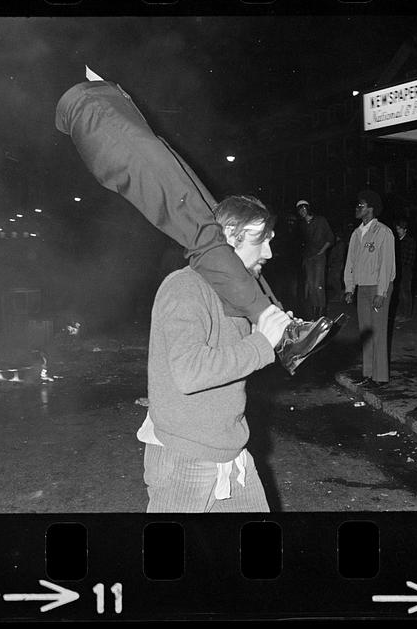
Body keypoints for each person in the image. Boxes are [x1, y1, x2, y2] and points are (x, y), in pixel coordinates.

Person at [54, 74, 334, 374]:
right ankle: (283, 334)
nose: (268, 251)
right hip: (110, 126)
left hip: (123, 127)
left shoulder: (108, 108)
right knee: (207, 235)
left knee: (215, 222)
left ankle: (284, 326)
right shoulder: (92, 107)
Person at [137, 195, 292, 512]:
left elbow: (234, 357)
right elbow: (190, 372)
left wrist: (282, 339)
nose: (269, 252)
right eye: (261, 240)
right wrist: (261, 342)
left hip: (229, 448)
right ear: (231, 234)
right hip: (185, 454)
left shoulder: (237, 295)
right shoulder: (185, 287)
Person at [344, 190, 396, 385]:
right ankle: (367, 374)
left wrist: (381, 292)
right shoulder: (356, 233)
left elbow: (386, 265)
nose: (358, 208)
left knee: (378, 331)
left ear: (371, 209)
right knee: (366, 332)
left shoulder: (384, 232)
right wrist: (350, 288)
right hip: (363, 288)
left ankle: (380, 377)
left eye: (362, 205)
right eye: (358, 205)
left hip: (378, 288)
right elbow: (350, 262)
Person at [296, 200, 335, 319]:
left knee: (319, 284)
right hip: (308, 258)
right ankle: (315, 312)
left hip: (319, 257)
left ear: (308, 208)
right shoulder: (302, 225)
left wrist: (321, 251)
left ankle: (322, 312)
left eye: (304, 208)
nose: (302, 211)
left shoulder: (320, 220)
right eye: (299, 210)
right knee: (311, 285)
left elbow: (330, 238)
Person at [394, 219, 416, 320]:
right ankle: (401, 312)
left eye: (400, 229)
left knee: (405, 292)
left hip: (405, 270)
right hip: (397, 270)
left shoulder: (409, 241)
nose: (398, 230)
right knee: (399, 292)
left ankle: (407, 314)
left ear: (405, 230)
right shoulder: (397, 241)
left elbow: (410, 258)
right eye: (397, 228)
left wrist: (404, 268)